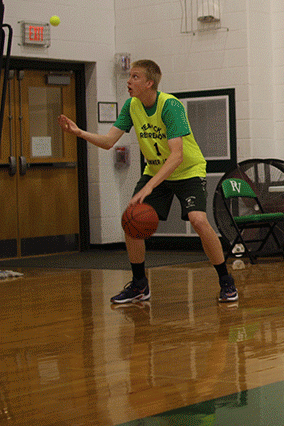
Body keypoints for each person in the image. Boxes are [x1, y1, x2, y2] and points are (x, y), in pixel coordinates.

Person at [59, 59, 238, 304]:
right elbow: (109, 141)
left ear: (149, 83)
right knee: (131, 220)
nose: (128, 81)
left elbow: (177, 155)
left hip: (187, 170)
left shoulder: (170, 106)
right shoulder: (132, 105)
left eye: (134, 77)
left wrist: (150, 185)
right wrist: (79, 133)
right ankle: (140, 285)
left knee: (198, 220)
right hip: (156, 169)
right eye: (129, 76)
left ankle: (226, 281)